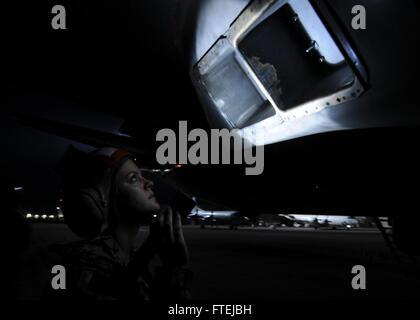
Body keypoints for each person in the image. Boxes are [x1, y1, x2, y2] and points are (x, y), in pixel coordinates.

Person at [46, 146, 192, 300]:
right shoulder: (85, 269)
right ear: (100, 201)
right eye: (133, 178)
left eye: (141, 176)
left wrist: (171, 267)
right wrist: (174, 272)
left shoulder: (126, 259)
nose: (149, 183)